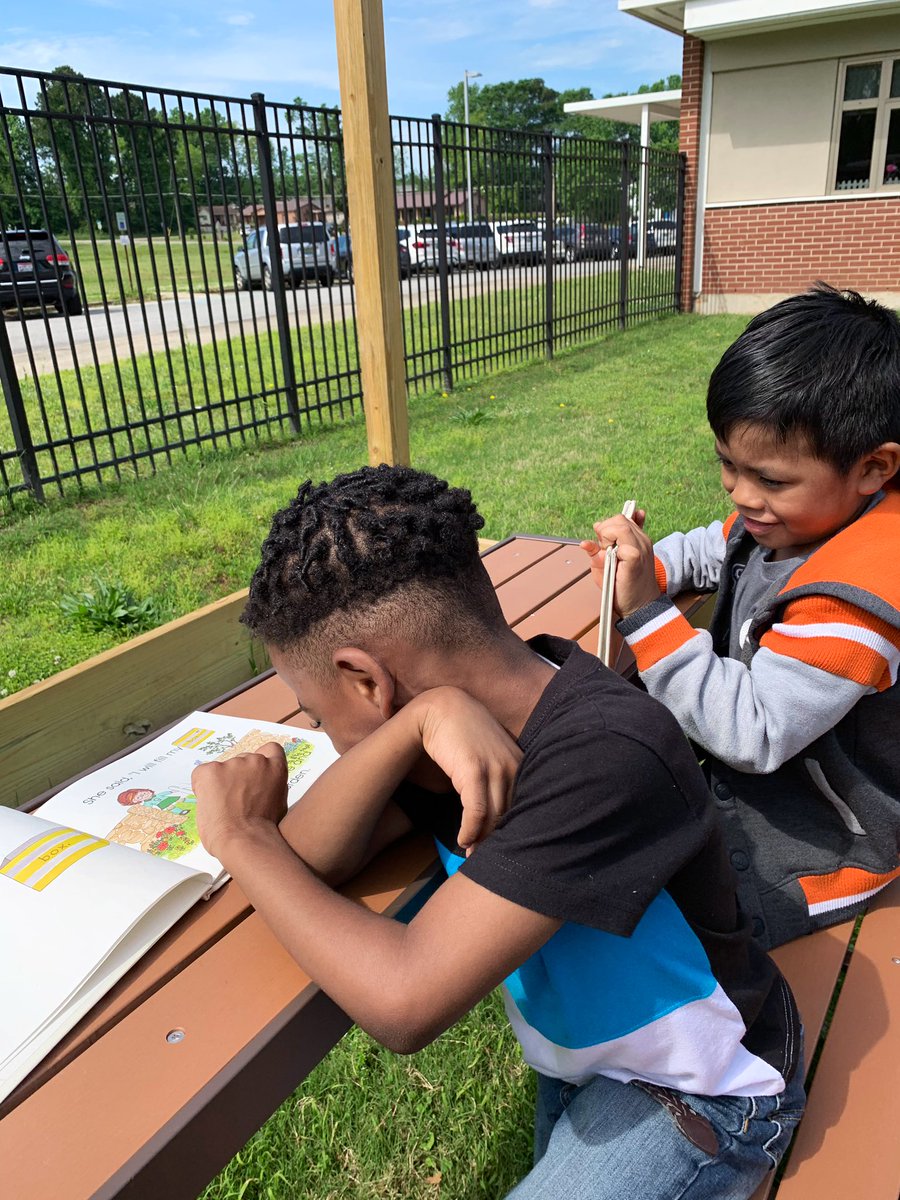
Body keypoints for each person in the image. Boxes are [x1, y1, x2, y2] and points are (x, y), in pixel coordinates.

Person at [192, 464, 804, 1199]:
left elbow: (404, 1001)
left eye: (321, 718)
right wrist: (415, 722)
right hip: (592, 1065)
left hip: (711, 1089)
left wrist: (238, 837)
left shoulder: (608, 753)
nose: (327, 738)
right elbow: (314, 858)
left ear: (366, 681)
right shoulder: (457, 733)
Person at [583, 284, 900, 951]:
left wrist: (644, 612)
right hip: (762, 802)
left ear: (874, 468)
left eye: (769, 479)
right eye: (727, 464)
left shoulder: (857, 602)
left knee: (633, 923)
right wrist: (654, 565)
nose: (740, 493)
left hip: (814, 855)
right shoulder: (798, 517)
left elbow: (752, 733)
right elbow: (715, 544)